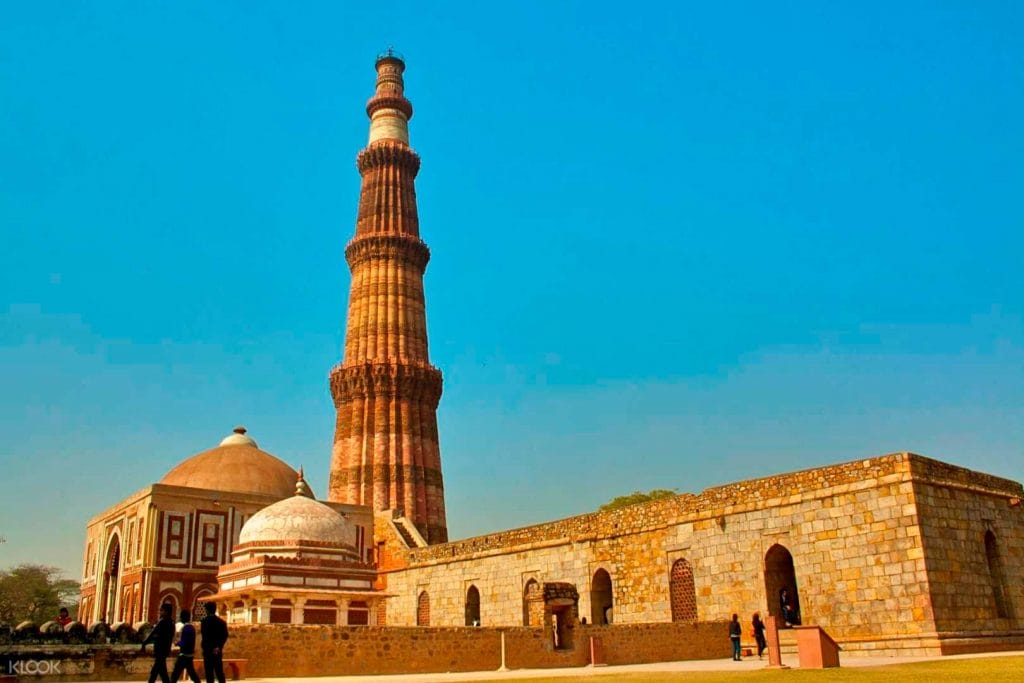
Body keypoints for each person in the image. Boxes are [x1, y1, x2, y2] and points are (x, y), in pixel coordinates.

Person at [140, 603, 175, 683]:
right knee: (161, 671)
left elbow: (153, 633)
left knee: (157, 671)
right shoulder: (171, 623)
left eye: (162, 610)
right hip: (165, 650)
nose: (160, 612)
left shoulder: (162, 622)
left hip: (160, 650)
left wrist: (145, 643)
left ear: (166, 612)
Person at [200, 602, 228, 683]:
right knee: (219, 672)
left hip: (207, 650)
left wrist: (205, 647)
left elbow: (204, 636)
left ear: (207, 610)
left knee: (209, 673)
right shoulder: (221, 622)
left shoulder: (204, 621)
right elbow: (225, 635)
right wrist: (219, 647)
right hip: (217, 651)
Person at [169, 609, 200, 683]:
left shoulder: (186, 628)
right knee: (192, 673)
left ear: (183, 617)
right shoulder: (192, 627)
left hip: (184, 655)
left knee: (175, 674)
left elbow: (184, 642)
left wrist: (176, 643)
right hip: (190, 654)